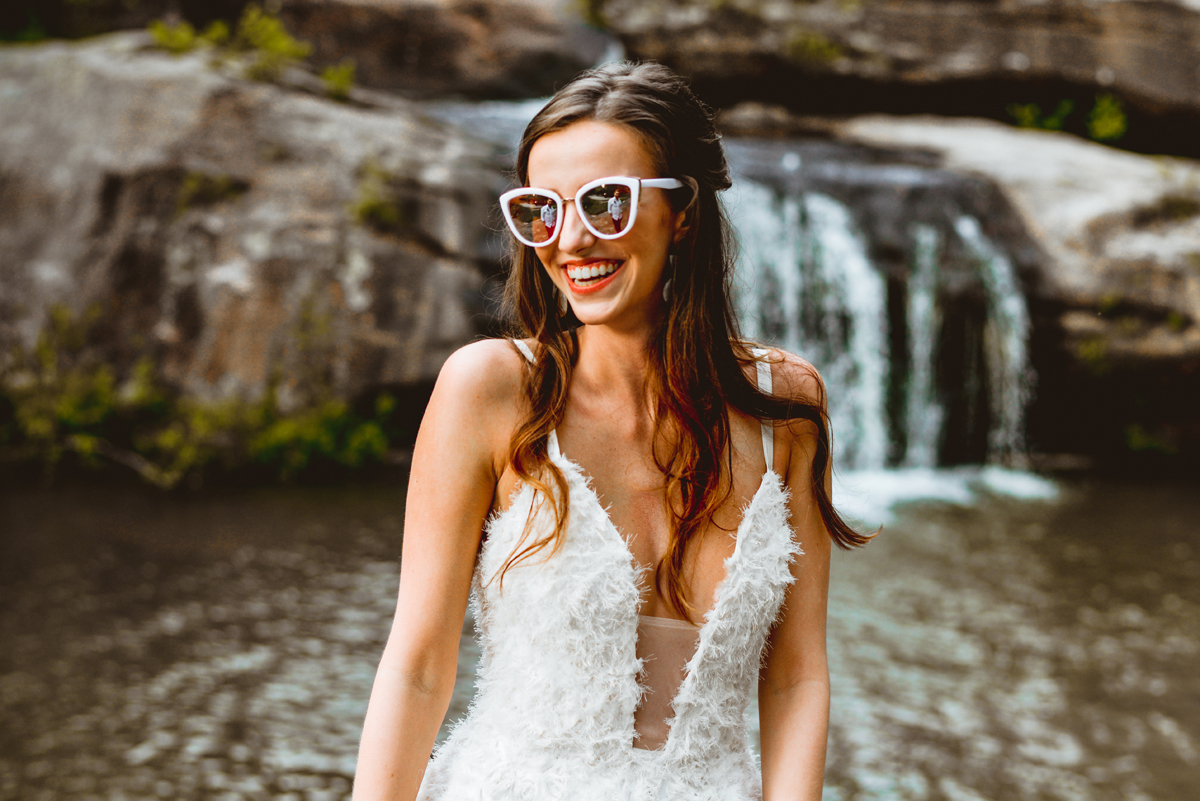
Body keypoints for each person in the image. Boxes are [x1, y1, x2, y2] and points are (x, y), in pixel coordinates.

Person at [353, 61, 869, 801]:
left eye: (605, 202)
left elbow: (795, 679)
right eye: (541, 209)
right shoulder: (492, 389)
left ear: (682, 212)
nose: (571, 240)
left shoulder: (784, 408)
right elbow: (419, 664)